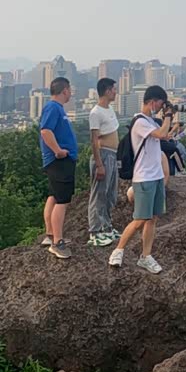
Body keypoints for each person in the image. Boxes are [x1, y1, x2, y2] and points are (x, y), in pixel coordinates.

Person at [108, 86, 175, 274]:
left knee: (152, 218)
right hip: (144, 177)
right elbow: (161, 134)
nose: (161, 108)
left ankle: (146, 256)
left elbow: (164, 135)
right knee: (140, 219)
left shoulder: (150, 121)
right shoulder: (139, 122)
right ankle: (118, 250)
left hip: (156, 176)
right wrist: (168, 115)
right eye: (160, 104)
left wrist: (171, 120)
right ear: (152, 102)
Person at [39, 77, 79, 260]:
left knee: (54, 196)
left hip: (59, 161)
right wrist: (58, 151)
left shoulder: (57, 108)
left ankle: (50, 234)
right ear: (65, 90)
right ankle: (57, 242)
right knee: (62, 200)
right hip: (59, 161)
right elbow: (45, 131)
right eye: (70, 90)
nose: (71, 93)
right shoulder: (53, 107)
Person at [87, 77, 120, 247]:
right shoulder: (96, 112)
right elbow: (94, 140)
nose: (115, 92)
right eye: (113, 89)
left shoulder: (110, 109)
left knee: (110, 194)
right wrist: (99, 164)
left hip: (113, 155)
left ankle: (106, 226)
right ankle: (95, 231)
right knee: (99, 193)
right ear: (107, 91)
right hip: (103, 154)